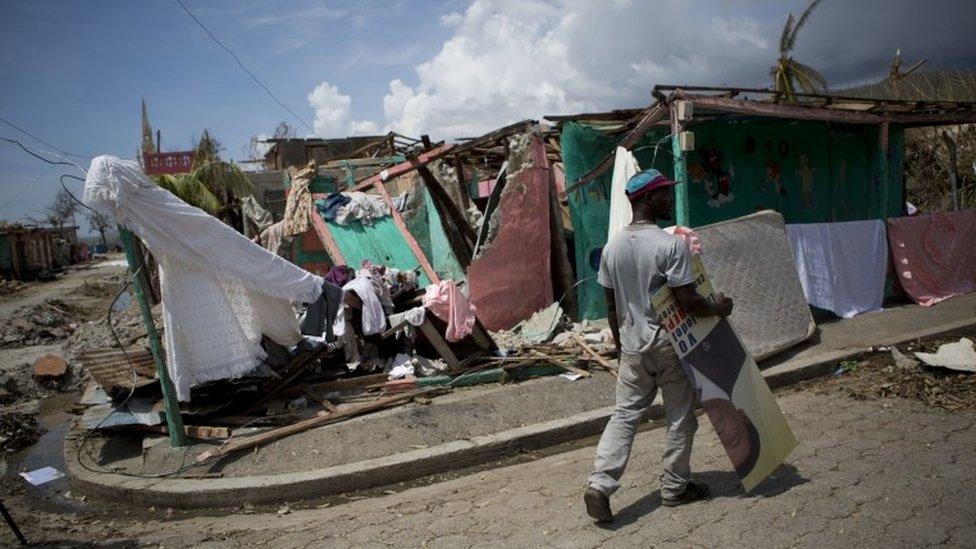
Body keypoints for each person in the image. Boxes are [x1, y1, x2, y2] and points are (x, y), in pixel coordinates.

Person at [583, 168, 734, 523]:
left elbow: (611, 305)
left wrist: (622, 349)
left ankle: (600, 485)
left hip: (633, 347)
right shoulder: (670, 245)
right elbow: (688, 301)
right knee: (680, 416)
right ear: (648, 199)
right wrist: (719, 309)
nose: (669, 198)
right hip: (669, 345)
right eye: (665, 193)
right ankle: (675, 487)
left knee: (623, 417)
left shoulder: (611, 248)